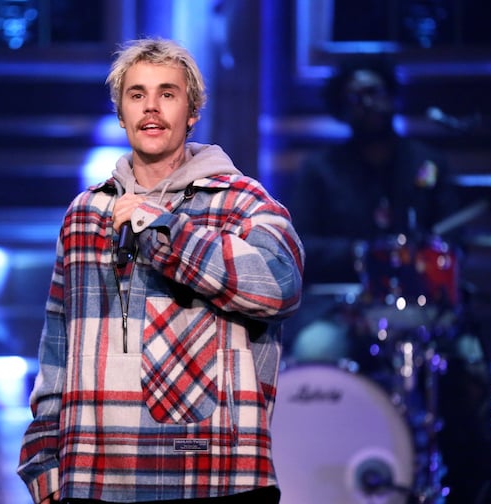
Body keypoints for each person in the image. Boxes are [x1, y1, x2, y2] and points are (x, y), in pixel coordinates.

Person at [17, 37, 304, 504]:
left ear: (192, 113)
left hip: (214, 474)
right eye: (137, 94)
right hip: (93, 477)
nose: (151, 107)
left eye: (167, 94)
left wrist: (163, 229)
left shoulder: (242, 202)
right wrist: (44, 464)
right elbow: (57, 349)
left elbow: (281, 286)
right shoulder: (86, 213)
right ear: (120, 112)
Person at [285, 56, 491, 503]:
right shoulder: (320, 170)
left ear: (391, 96)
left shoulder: (427, 164)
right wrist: (362, 255)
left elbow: (454, 241)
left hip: (426, 314)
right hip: (343, 309)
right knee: (314, 351)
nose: (367, 104)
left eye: (374, 92)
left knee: (468, 363)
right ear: (340, 106)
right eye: (355, 96)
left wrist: (424, 256)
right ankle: (320, 482)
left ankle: (467, 486)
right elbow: (301, 247)